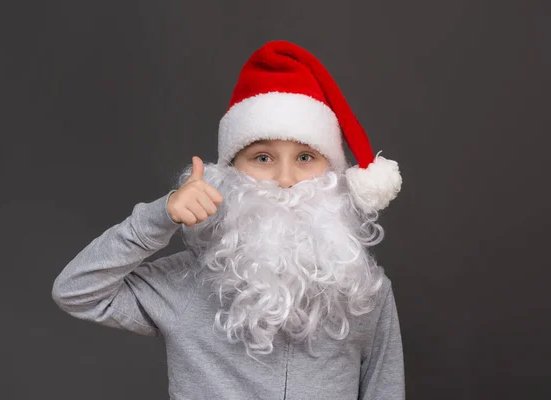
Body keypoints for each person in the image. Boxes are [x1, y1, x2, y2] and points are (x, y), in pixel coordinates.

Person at [52, 40, 404, 399]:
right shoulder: (187, 282)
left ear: (334, 173)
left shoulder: (365, 291)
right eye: (263, 158)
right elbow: (76, 291)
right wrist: (161, 216)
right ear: (231, 174)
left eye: (305, 158)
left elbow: (383, 390)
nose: (285, 180)